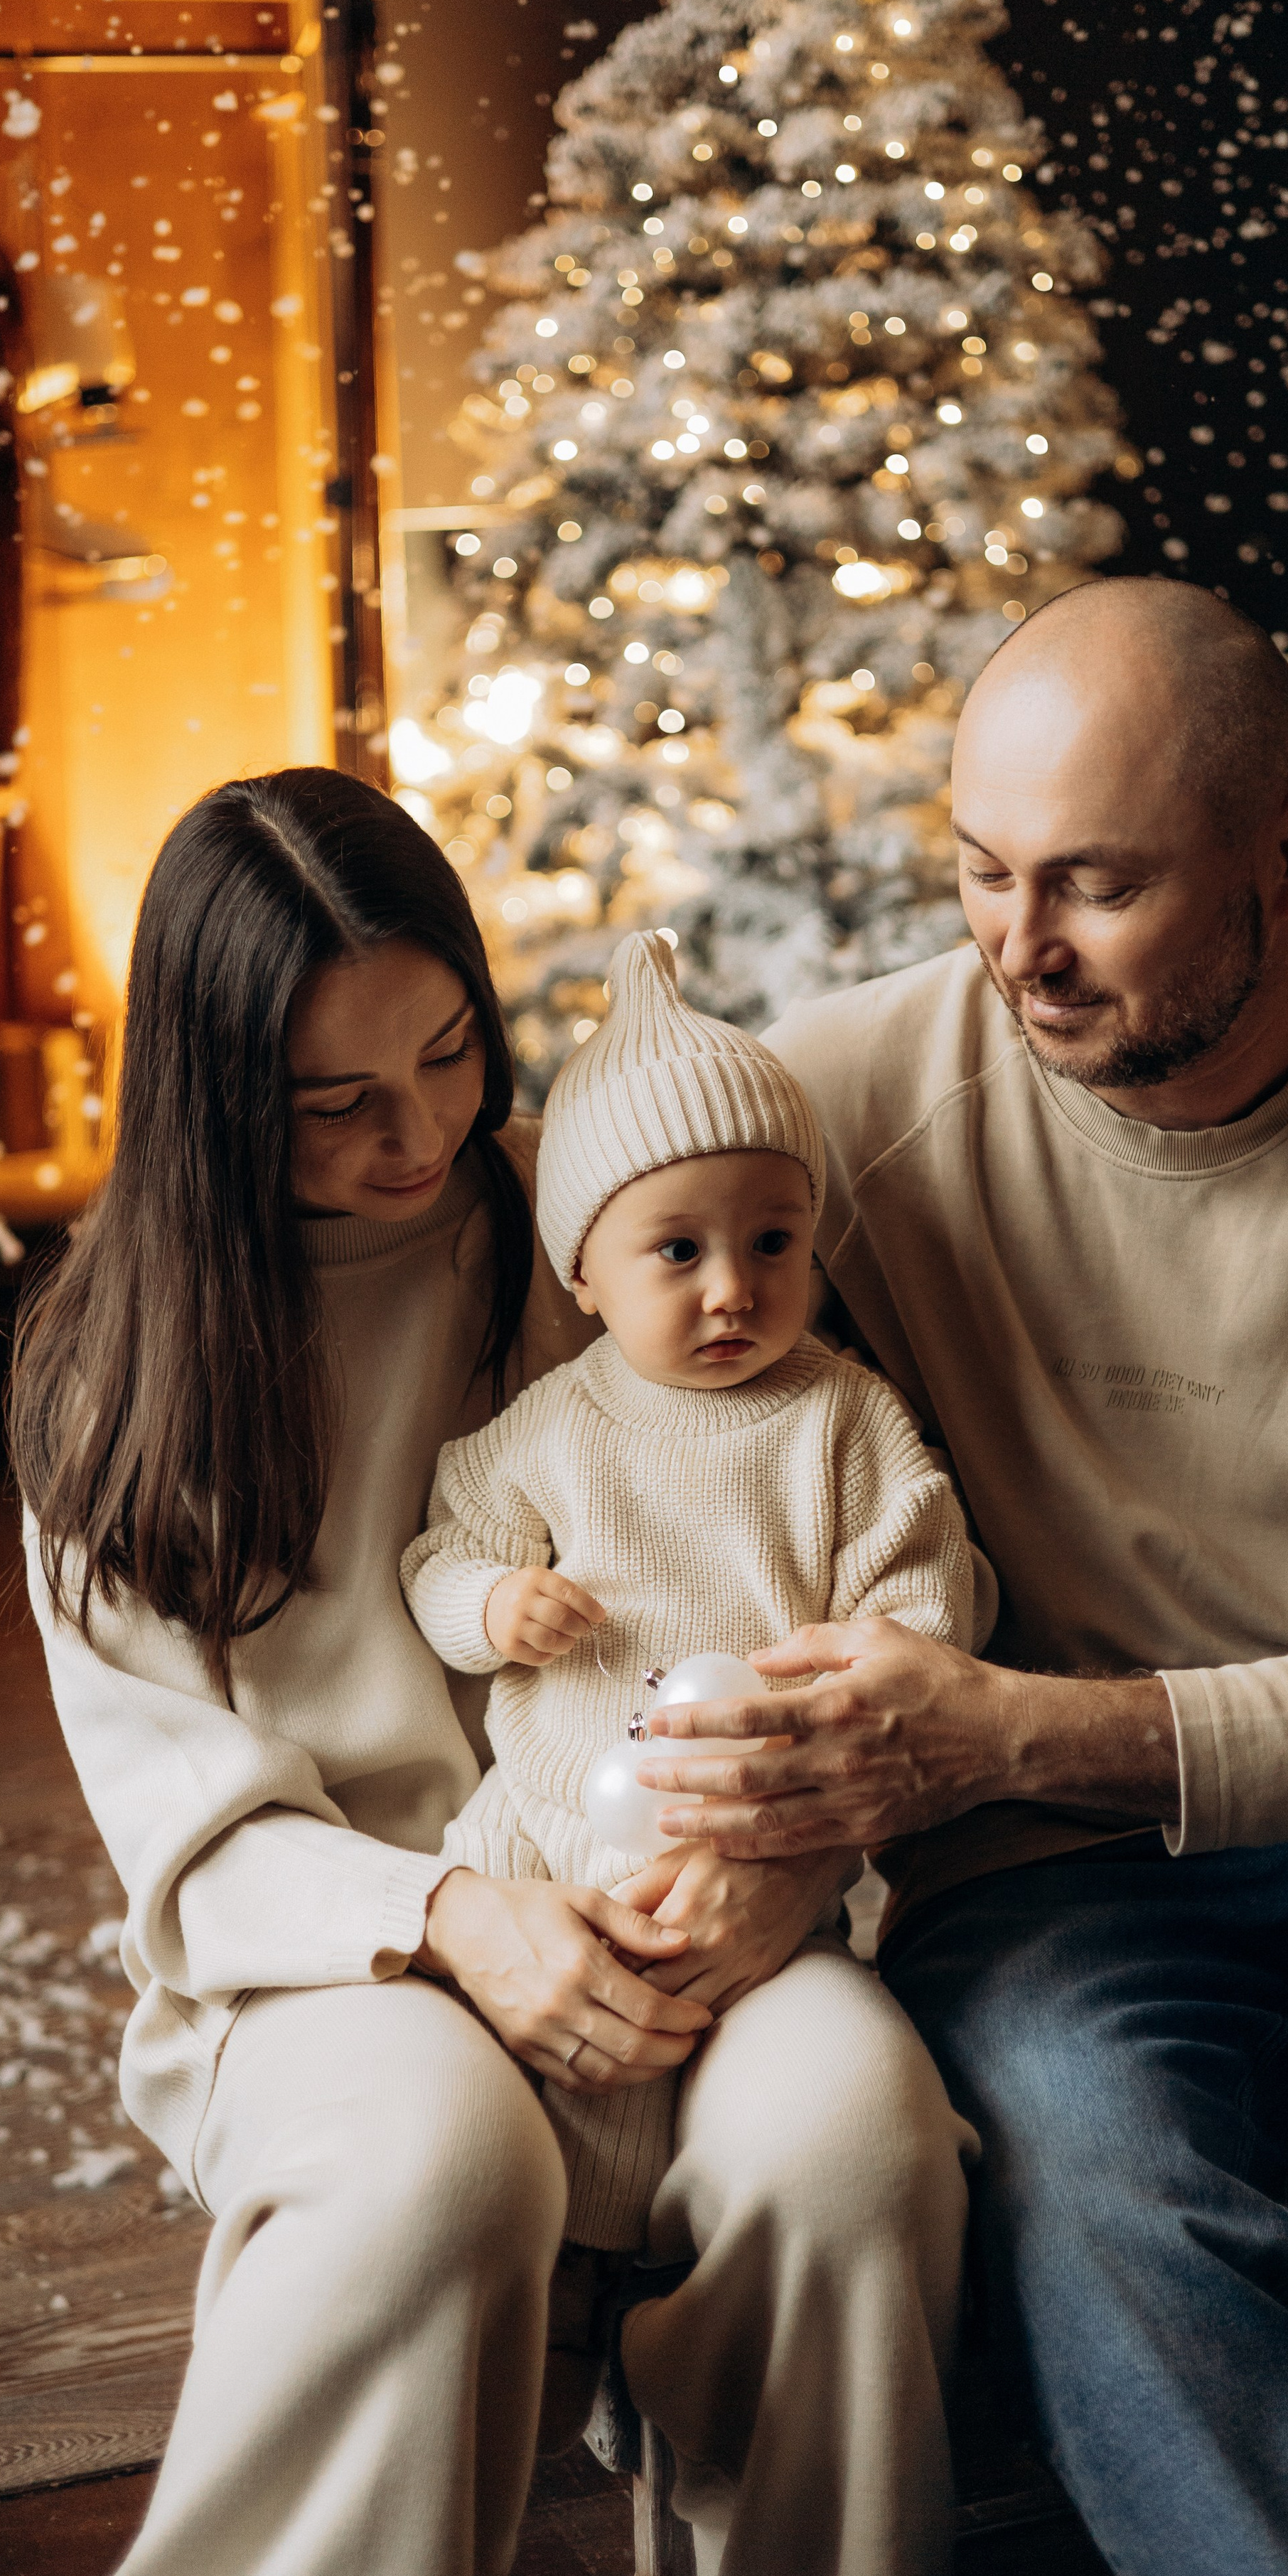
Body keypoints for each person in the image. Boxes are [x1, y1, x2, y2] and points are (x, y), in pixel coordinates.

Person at [634, 578, 1288, 2576]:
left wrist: (1023, 1732)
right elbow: (554, 1299)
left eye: (1098, 885)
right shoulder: (833, 1119)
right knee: (1100, 2213)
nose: (1020, 949)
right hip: (1065, 1899)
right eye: (982, 871)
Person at [10, 768, 972, 2576]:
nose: (420, 1133)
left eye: (450, 1052)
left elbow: (833, 1564)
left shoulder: (603, 1214)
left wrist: (787, 1858)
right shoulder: (113, 1370)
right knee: (444, 2169)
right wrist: (449, 1916)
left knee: (857, 2144)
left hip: (681, 1892)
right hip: (339, 1953)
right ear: (218, 1098)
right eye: (337, 1103)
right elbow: (185, 1831)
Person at [402, 927, 986, 2262]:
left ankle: (669, 2283)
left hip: (750, 1846)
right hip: (539, 1833)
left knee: (740, 2078)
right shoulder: (548, 1430)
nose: (734, 1290)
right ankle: (563, 2289)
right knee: (511, 2096)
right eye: (677, 1251)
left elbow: (923, 1599)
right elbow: (435, 1558)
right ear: (582, 1277)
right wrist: (493, 1606)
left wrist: (840, 1707)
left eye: (774, 1242)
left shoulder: (845, 1422)